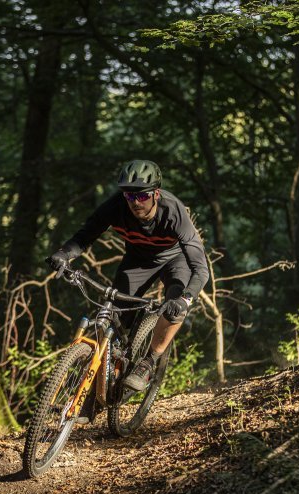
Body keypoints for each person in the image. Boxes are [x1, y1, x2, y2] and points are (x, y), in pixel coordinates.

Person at [47, 159, 209, 393]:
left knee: (176, 304)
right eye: (129, 196)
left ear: (155, 193)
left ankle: (149, 362)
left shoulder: (173, 211)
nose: (135, 202)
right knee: (116, 315)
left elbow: (200, 267)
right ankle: (98, 389)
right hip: (137, 260)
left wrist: (185, 298)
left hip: (175, 259)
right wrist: (63, 254)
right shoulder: (115, 206)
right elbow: (85, 236)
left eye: (141, 196)